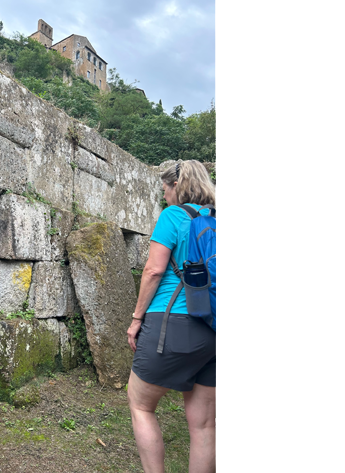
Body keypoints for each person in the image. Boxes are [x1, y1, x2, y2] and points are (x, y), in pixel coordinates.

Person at [127, 160, 216, 473]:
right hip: (216, 329)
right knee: (203, 425)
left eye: (165, 188)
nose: (164, 195)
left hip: (174, 321)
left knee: (140, 404)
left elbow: (153, 270)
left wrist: (137, 319)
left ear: (177, 186)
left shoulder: (174, 215)